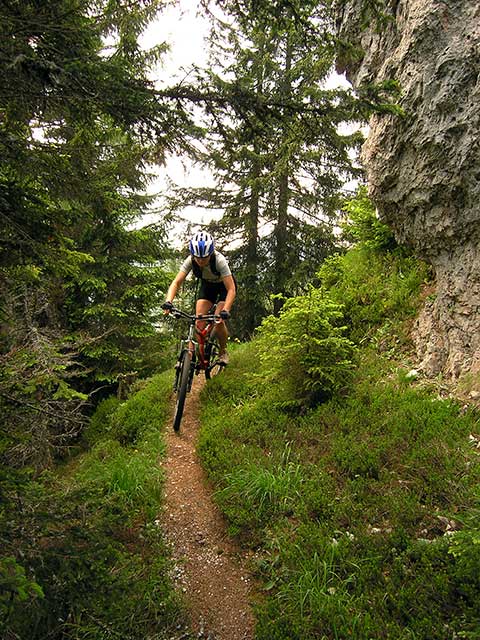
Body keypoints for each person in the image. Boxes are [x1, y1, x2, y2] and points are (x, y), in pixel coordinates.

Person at [162, 231, 236, 365]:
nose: (201, 261)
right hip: (208, 286)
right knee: (198, 321)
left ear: (211, 253)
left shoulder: (219, 261)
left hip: (224, 288)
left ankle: (223, 351)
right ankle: (194, 354)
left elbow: (231, 289)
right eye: (198, 258)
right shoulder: (190, 260)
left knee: (219, 322)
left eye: (204, 258)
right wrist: (168, 301)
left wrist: (226, 310)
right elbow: (176, 282)